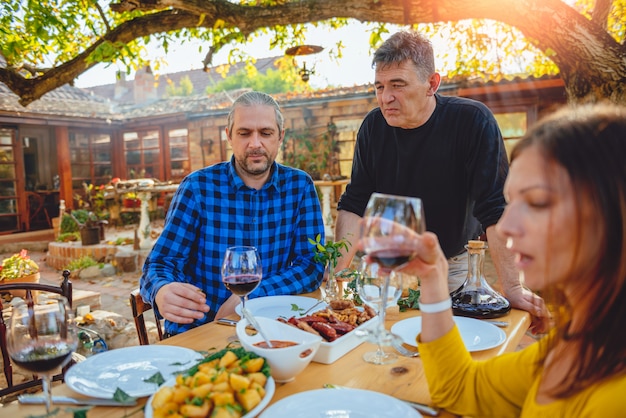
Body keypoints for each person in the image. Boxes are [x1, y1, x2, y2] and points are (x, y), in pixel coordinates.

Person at [401, 103, 626, 416]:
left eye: (536, 202)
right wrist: (434, 279)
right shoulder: (577, 343)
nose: (506, 227)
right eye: (511, 201)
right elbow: (460, 388)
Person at [335, 30, 547, 329]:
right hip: (384, 270)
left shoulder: (472, 121)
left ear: (431, 84)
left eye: (398, 85)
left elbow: (495, 209)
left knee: (441, 356)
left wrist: (511, 286)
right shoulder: (373, 127)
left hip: (451, 268)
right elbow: (355, 203)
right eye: (379, 86)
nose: (385, 98)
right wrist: (336, 276)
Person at [140, 91, 326, 336]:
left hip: (267, 330)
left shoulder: (299, 187)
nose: (255, 143)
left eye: (266, 133)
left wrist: (252, 297)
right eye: (244, 133)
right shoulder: (197, 188)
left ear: (280, 136)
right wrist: (162, 290)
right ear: (229, 136)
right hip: (199, 330)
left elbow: (311, 265)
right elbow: (161, 262)